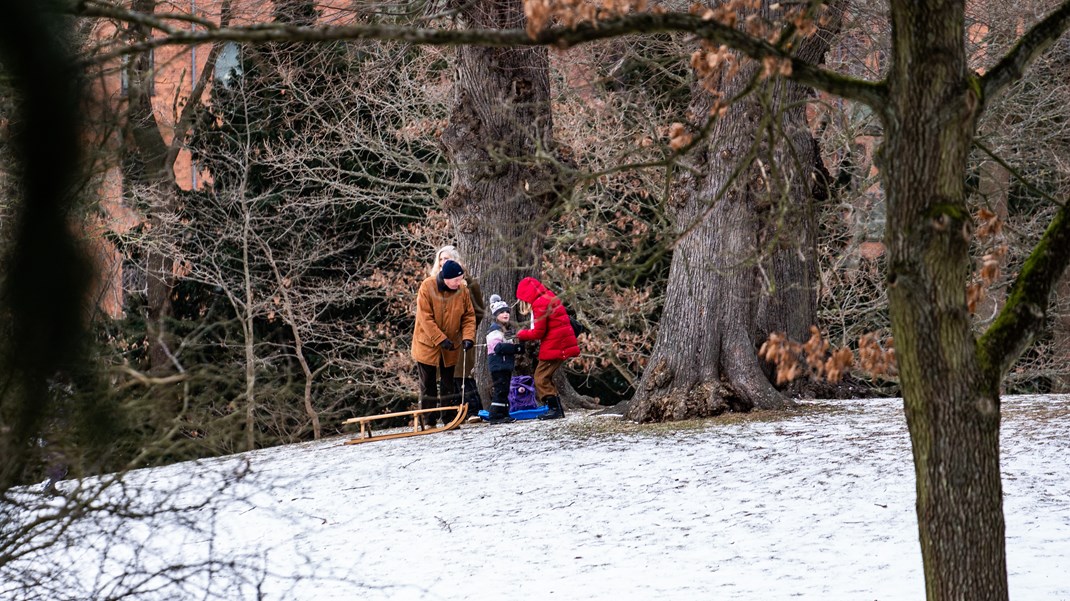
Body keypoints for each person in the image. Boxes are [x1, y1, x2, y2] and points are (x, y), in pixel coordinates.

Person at [411, 259, 476, 427]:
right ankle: (429, 420)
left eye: (461, 279)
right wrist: (440, 339)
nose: (459, 282)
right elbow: (425, 318)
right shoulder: (427, 286)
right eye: (456, 280)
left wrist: (468, 337)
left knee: (448, 383)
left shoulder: (462, 291)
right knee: (428, 384)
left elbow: (469, 316)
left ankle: (448, 418)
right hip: (427, 344)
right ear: (446, 278)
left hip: (451, 345)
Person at [430, 245, 485, 423]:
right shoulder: (432, 285)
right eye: (441, 259)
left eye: (447, 259)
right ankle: (451, 414)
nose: (443, 262)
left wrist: (466, 332)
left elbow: (477, 312)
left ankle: (473, 411)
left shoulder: (468, 284)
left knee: (463, 374)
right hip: (441, 339)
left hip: (461, 337)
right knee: (445, 379)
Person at [515, 277, 580, 420]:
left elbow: (538, 332)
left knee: (540, 377)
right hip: (560, 343)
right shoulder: (549, 296)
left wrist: (520, 334)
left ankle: (554, 409)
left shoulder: (540, 304)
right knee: (545, 376)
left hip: (556, 345)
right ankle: (555, 408)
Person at [484, 294, 521, 424]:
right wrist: (516, 349)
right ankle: (495, 416)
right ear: (495, 314)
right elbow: (498, 347)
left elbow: (510, 340)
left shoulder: (505, 329)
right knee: (500, 390)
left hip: (505, 364)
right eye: (501, 312)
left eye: (507, 312)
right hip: (498, 364)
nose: (505, 314)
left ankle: (504, 414)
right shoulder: (495, 329)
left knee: (504, 390)